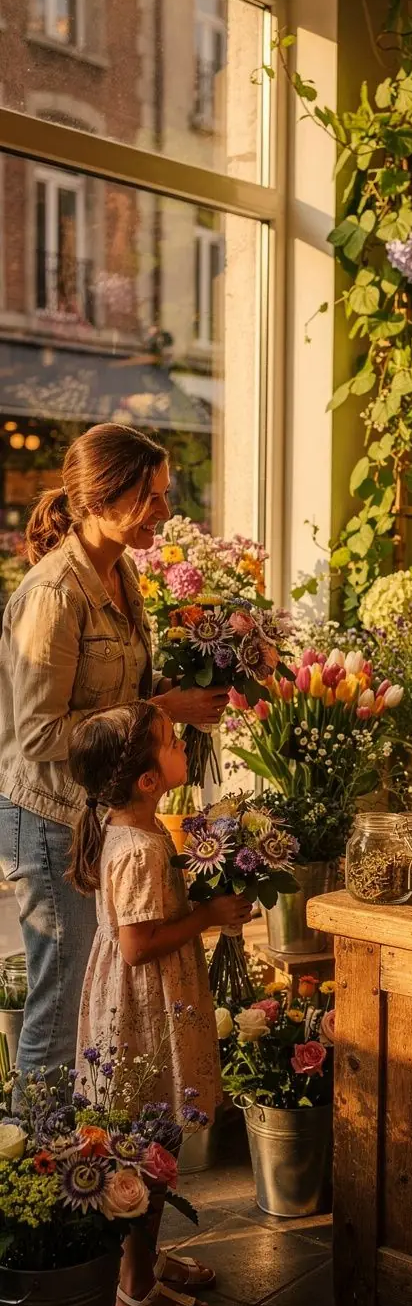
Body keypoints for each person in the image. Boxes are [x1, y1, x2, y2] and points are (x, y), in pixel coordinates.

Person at [0, 424, 230, 1079]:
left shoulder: (120, 574)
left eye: (164, 494)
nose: (165, 511)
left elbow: (108, 695)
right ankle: (35, 1164)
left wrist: (176, 689)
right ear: (103, 497)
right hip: (46, 819)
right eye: (151, 497)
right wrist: (161, 711)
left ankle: (82, 1163)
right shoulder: (54, 596)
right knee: (63, 1002)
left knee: (87, 1004)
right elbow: (41, 734)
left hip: (87, 817)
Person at [68, 699, 252, 1306]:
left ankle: (141, 1263)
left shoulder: (127, 829)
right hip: (143, 1012)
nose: (182, 745)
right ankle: (135, 1294)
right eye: (173, 740)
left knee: (144, 1144)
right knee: (149, 1148)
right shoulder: (141, 848)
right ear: (148, 781)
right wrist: (209, 915)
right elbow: (139, 943)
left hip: (134, 1003)